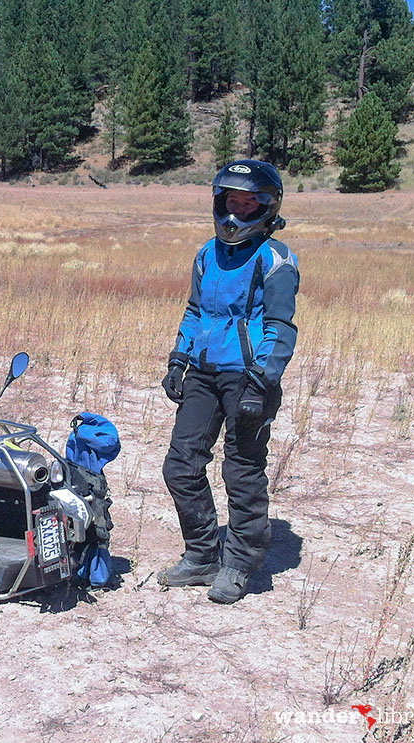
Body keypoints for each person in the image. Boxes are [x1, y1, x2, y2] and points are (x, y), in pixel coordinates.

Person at [158, 159, 299, 604]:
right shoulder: (206, 254)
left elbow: (280, 327)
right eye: (230, 202)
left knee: (241, 473)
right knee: (180, 466)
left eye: (248, 204)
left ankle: (238, 565)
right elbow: (196, 311)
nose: (236, 214)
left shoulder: (275, 259)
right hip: (203, 370)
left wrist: (262, 383)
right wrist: (179, 358)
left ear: (267, 207)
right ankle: (202, 555)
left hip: (248, 377)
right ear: (219, 203)